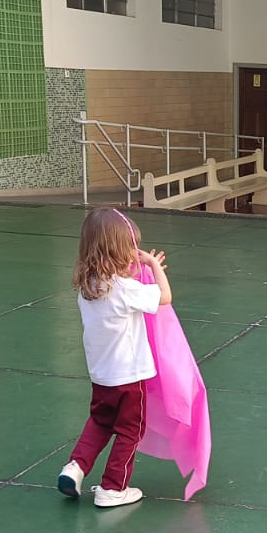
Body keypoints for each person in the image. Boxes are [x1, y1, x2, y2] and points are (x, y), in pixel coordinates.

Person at [57, 207, 173, 508]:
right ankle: (113, 487)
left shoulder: (89, 286)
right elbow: (164, 297)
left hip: (101, 376)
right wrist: (153, 265)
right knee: (130, 431)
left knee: (100, 421)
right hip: (130, 378)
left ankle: (75, 467)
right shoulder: (125, 289)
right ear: (119, 251)